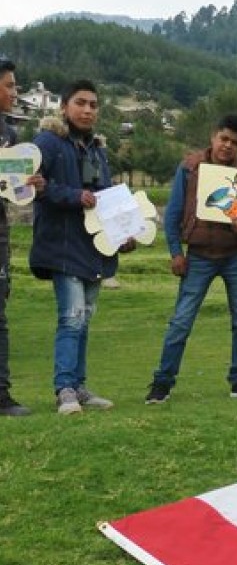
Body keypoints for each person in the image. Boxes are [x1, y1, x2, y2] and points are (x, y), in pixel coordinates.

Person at [144, 115, 237, 403]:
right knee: (182, 320)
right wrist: (175, 252)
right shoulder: (189, 168)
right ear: (213, 137)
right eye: (224, 139)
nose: (227, 146)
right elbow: (172, 214)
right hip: (198, 255)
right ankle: (162, 382)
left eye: (235, 142)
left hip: (235, 255)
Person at [30, 79, 125, 414]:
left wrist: (124, 233)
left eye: (93, 105)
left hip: (94, 249)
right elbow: (32, 187)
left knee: (83, 320)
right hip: (62, 246)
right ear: (64, 106)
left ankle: (80, 387)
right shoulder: (47, 142)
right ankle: (65, 390)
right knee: (71, 318)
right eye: (80, 103)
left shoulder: (97, 149)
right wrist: (74, 196)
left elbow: (109, 200)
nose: (87, 110)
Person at [0, 57, 45, 416]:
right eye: (10, 85)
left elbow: (13, 190)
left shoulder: (10, 136)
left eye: (15, 85)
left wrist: (29, 184)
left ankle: (1, 396)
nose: (15, 92)